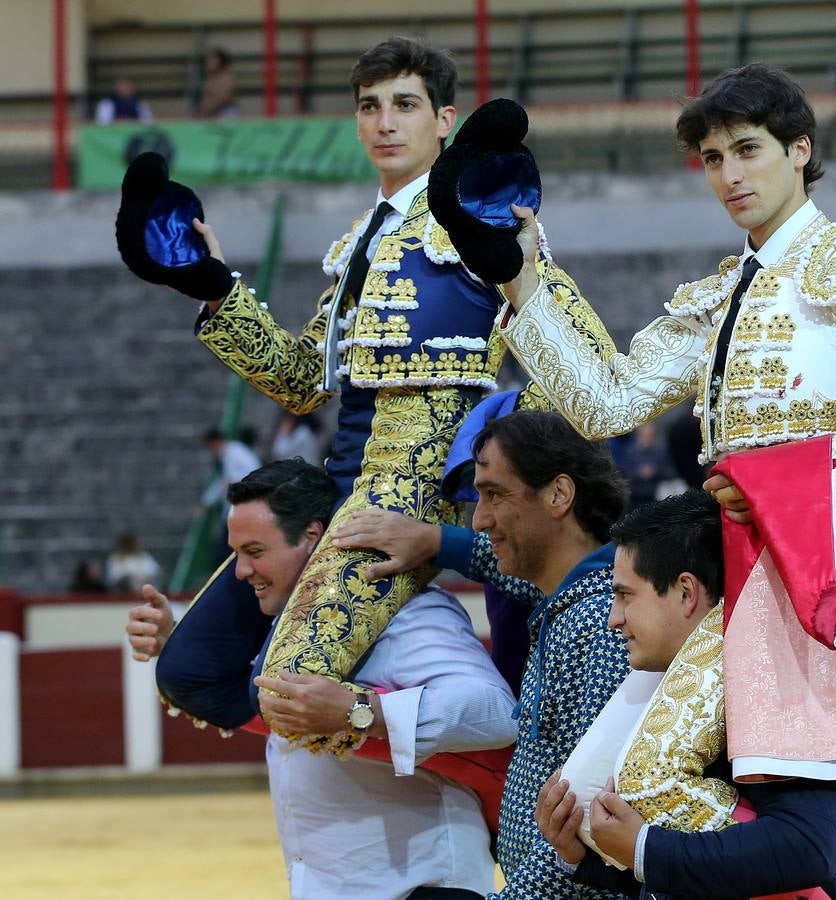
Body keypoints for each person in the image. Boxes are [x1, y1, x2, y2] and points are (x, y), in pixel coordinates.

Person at [494, 64, 836, 783]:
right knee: (611, 790)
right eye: (713, 159)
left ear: (800, 151)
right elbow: (607, 403)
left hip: (804, 570)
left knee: (677, 788)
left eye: (748, 150)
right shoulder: (719, 293)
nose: (728, 176)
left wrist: (792, 491)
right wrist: (524, 275)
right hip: (721, 569)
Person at [184, 36, 603, 750]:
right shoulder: (360, 240)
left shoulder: (480, 214)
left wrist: (486, 471)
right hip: (334, 487)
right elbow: (301, 382)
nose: (384, 123)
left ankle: (486, 788)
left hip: (406, 496)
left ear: (444, 120)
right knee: (187, 670)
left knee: (290, 690)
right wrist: (218, 290)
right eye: (370, 107)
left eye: (404, 106)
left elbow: (579, 364)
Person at [126, 459, 517, 898]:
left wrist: (360, 711)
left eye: (255, 552)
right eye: (236, 555)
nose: (240, 572)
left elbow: (497, 712)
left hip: (421, 885)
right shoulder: (293, 634)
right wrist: (173, 644)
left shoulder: (406, 610)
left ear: (314, 537)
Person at [332, 410, 633, 899]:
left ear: (559, 495)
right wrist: (435, 542)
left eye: (494, 494)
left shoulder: (595, 623)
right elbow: (512, 562)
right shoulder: (578, 596)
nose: (480, 518)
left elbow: (590, 819)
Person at [537, 490, 836, 899]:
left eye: (625, 595)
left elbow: (807, 850)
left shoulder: (784, 684)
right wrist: (581, 857)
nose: (614, 618)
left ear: (686, 592)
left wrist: (644, 851)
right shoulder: (665, 680)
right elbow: (687, 868)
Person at [198, 47, 240, 119]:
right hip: (211, 114)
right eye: (209, 60)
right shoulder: (210, 78)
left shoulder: (227, 78)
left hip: (225, 113)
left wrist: (209, 108)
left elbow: (223, 98)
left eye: (212, 60)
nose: (209, 63)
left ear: (220, 62)